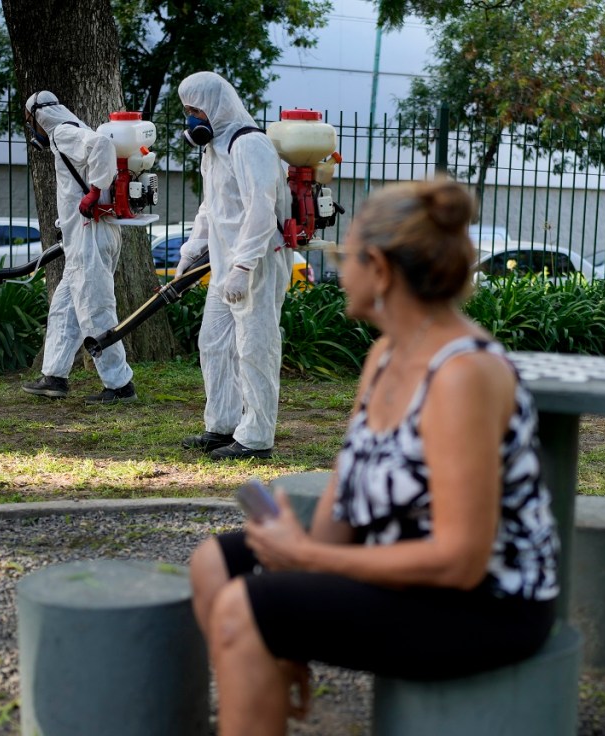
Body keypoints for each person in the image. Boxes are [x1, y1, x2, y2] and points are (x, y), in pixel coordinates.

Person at [188, 178, 560, 735]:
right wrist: (299, 560)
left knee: (249, 606)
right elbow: (348, 482)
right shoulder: (387, 354)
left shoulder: (463, 374)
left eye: (346, 255)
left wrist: (311, 564)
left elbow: (460, 561)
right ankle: (270, 674)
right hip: (402, 562)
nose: (340, 270)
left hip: (486, 603)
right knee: (216, 565)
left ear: (380, 269)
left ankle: (260, 677)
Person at [175, 71, 293, 460]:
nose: (192, 119)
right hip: (226, 268)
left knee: (255, 347)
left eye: (196, 110)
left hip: (256, 263)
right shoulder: (214, 149)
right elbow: (212, 207)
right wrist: (191, 252)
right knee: (213, 343)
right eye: (187, 111)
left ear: (216, 105)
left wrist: (242, 266)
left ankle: (256, 437)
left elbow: (261, 207)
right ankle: (222, 425)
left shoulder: (250, 143)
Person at [20, 91, 137, 404]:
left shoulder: (63, 133)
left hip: (90, 236)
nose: (34, 131)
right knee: (65, 307)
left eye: (31, 123)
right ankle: (54, 376)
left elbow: (102, 146)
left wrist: (94, 192)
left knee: (95, 309)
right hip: (89, 235)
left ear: (38, 119)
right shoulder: (78, 128)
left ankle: (120, 384)